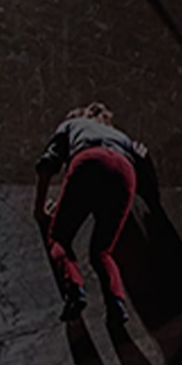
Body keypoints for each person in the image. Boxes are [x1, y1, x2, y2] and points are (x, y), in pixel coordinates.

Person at [33, 102, 148, 325]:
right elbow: (143, 162)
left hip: (90, 161)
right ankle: (116, 303)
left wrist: (39, 209)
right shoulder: (121, 136)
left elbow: (47, 163)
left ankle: (75, 289)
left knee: (60, 239)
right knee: (103, 250)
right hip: (125, 171)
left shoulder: (71, 124)